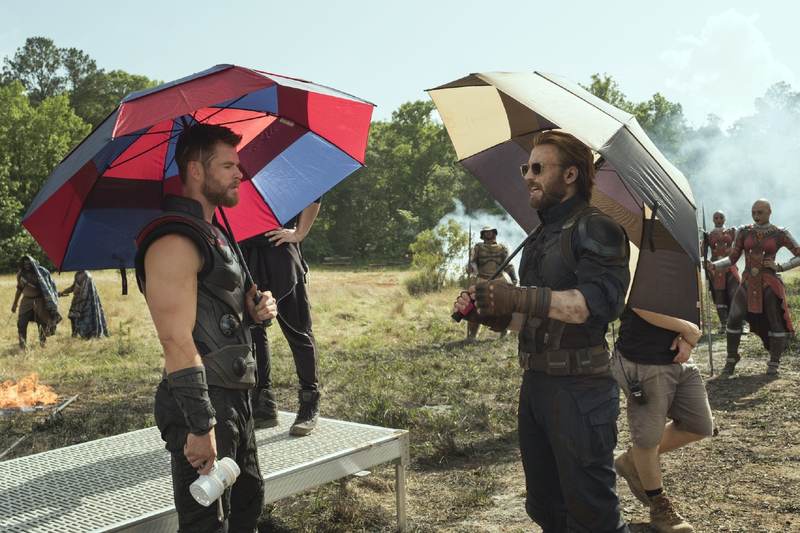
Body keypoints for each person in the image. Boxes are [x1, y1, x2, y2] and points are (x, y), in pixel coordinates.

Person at [454, 130, 631, 532]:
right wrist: (493, 314)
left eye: (537, 168)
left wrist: (516, 296)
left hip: (582, 390)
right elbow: (531, 318)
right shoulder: (539, 236)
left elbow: (594, 305)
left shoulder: (599, 229)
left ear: (570, 174)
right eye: (525, 168)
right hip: (536, 384)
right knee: (546, 507)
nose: (528, 177)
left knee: (592, 514)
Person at [134, 123, 278, 532]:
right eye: (228, 166)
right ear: (196, 170)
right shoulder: (173, 241)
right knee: (205, 523)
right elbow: (175, 339)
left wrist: (254, 310)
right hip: (203, 403)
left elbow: (216, 312)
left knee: (248, 504)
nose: (239, 174)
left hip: (237, 400)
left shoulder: (213, 233)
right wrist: (201, 425)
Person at [612, 306, 714, 533]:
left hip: (679, 355)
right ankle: (660, 510)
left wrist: (688, 339)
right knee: (647, 440)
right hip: (643, 358)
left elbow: (687, 299)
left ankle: (631, 460)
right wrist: (688, 329)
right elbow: (638, 304)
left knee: (699, 425)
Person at [240, 199, 322, 436]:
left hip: (281, 252)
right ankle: (264, 405)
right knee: (255, 331)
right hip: (245, 253)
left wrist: (299, 233)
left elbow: (314, 192)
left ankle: (309, 402)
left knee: (298, 331)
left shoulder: (279, 172)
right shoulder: (234, 176)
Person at [710, 199, 800, 375]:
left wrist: (780, 267)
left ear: (769, 212)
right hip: (747, 282)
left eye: (760, 212)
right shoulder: (744, 231)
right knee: (734, 318)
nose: (756, 216)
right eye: (753, 212)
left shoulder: (780, 233)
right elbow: (732, 258)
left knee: (775, 321)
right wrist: (715, 265)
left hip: (769, 283)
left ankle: (774, 362)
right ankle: (731, 358)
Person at [465, 226, 518, 341]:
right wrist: (470, 267)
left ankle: (504, 332)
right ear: (482, 234)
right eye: (486, 232)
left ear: (494, 233)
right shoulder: (478, 248)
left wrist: (514, 278)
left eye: (490, 232)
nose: (488, 234)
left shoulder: (502, 248)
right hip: (482, 280)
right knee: (476, 307)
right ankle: (472, 335)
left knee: (503, 307)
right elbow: (472, 262)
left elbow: (508, 264)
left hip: (499, 281)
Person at [11, 255, 61, 349]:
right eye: (25, 263)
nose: (27, 265)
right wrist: (15, 303)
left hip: (40, 301)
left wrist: (53, 297)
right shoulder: (21, 274)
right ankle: (22, 345)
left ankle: (43, 343)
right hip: (26, 301)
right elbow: (19, 289)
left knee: (41, 323)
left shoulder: (41, 273)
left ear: (32, 263)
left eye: (29, 263)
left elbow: (48, 288)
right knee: (21, 323)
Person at [702, 211, 740, 331]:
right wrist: (703, 240)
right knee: (719, 296)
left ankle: (737, 323)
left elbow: (739, 247)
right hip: (715, 269)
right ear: (713, 220)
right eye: (716, 218)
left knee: (734, 293)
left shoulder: (732, 231)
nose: (718, 220)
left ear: (725, 219)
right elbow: (702, 252)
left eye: (721, 217)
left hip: (730, 266)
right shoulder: (709, 235)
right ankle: (724, 324)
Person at [59, 270, 109, 338]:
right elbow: (73, 287)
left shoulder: (86, 275)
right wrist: (63, 292)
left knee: (80, 317)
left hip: (86, 301)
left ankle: (83, 335)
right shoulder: (78, 274)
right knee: (72, 316)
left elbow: (84, 291)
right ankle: (74, 335)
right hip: (77, 299)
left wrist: (79, 301)